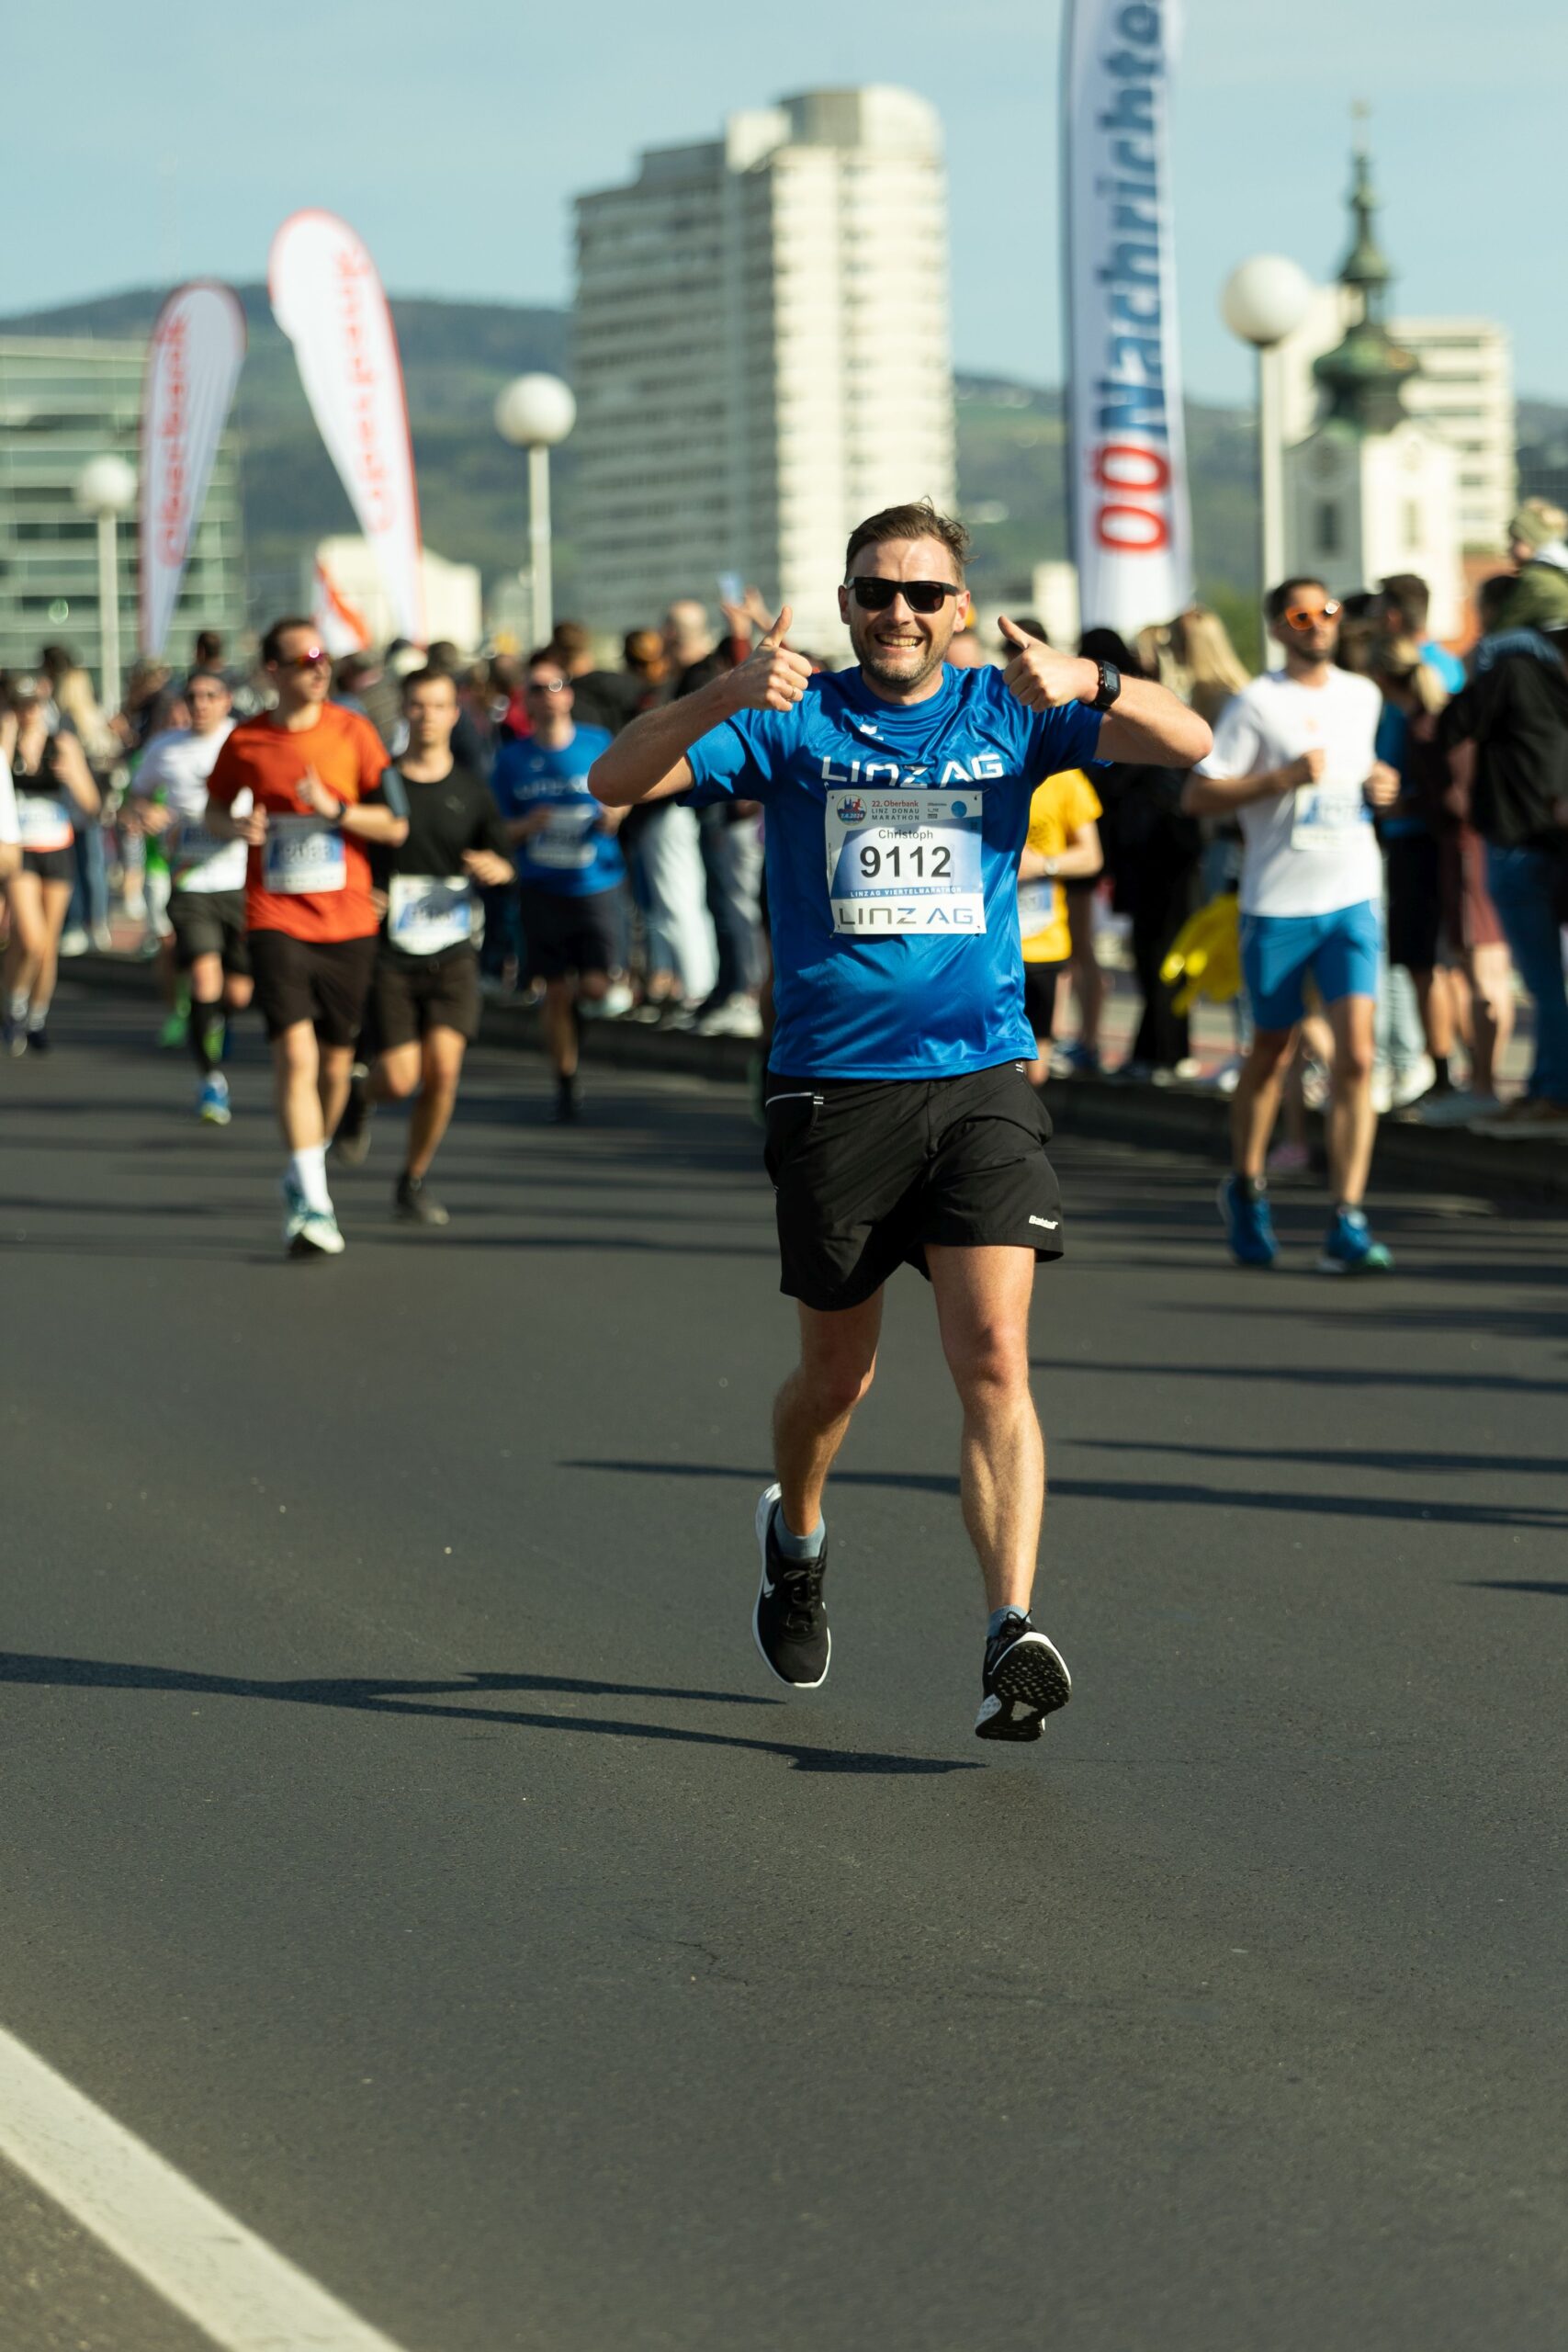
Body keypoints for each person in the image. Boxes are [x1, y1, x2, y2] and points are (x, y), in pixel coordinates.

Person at [589, 499, 1211, 1741]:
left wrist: (1091, 675)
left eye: (923, 594)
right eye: (875, 592)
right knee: (838, 1377)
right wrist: (723, 691)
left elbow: (1187, 740)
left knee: (991, 1359)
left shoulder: (1004, 711)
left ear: (958, 610)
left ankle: (1006, 1634)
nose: (899, 614)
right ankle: (796, 1533)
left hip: (981, 1074)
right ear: (844, 604)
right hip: (832, 1085)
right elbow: (610, 781)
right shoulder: (792, 719)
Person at [1185, 578, 1401, 1273]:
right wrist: (1276, 781)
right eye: (1300, 616)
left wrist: (1381, 784)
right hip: (1277, 901)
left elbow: (1365, 773)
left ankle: (1348, 1216)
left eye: (1327, 612)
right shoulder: (1257, 703)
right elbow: (1197, 794)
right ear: (1278, 628)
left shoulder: (1361, 695)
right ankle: (1246, 1186)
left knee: (1358, 1059)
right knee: (1271, 1056)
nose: (1317, 624)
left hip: (1352, 893)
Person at [204, 617, 408, 1256]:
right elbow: (214, 808)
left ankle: (303, 1168)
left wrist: (336, 811)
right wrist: (237, 830)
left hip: (347, 921)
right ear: (273, 672)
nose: (319, 668)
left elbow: (395, 825)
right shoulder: (248, 739)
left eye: (323, 658)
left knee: (335, 1067)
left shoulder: (355, 732)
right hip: (275, 915)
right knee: (294, 1056)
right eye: (303, 659)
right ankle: (315, 1203)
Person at [331, 668, 515, 1221]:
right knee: (402, 1077)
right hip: (391, 952)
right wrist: (364, 892)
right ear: (403, 713)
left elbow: (504, 859)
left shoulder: (471, 789)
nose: (428, 716)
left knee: (445, 1070)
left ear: (454, 714)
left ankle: (412, 1179)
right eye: (418, 706)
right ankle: (361, 1099)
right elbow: (347, 852)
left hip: (454, 949)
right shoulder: (382, 784)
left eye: (439, 706)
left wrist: (494, 867)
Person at [1438, 578, 1568, 1133]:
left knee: (1543, 981)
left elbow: (1453, 722)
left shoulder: (1505, 665)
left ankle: (1553, 1091)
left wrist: (1478, 662)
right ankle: (1543, 1085)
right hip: (1554, 839)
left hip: (1517, 838)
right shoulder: (1554, 669)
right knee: (1549, 979)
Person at [492, 650, 625, 1122]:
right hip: (541, 885)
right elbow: (496, 829)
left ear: (568, 694)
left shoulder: (596, 742)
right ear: (524, 701)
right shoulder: (511, 759)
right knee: (556, 990)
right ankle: (565, 1081)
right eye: (535, 689)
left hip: (596, 881)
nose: (546, 697)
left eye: (554, 687)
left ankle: (576, 1025)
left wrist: (615, 815)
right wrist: (528, 825)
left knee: (593, 986)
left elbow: (625, 792)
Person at [131, 670, 252, 1125]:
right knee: (205, 980)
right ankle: (211, 1081)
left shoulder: (244, 742)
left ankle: (216, 1021)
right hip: (191, 881)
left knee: (238, 993)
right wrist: (145, 813)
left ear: (226, 701)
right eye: (194, 696)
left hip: (241, 881)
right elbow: (135, 799)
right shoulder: (165, 748)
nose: (200, 704)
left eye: (210, 696)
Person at [3, 673, 101, 1052]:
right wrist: (8, 740)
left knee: (47, 945)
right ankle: (14, 1005)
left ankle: (37, 1015)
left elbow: (92, 806)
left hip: (56, 848)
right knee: (28, 935)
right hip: (18, 850)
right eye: (18, 705)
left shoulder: (62, 743)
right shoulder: (4, 745)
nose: (26, 713)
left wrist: (73, 778)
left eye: (32, 705)